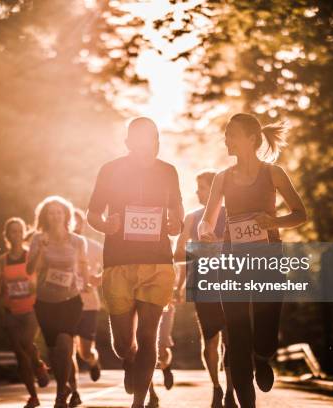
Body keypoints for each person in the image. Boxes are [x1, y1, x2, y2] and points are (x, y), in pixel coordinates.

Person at [198, 113, 307, 408]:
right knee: (236, 334)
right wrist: (206, 232)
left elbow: (300, 214)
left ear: (251, 139)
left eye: (232, 134)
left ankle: (262, 357)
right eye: (225, 134)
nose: (226, 139)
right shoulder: (222, 177)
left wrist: (273, 222)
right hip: (232, 262)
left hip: (267, 260)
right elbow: (206, 221)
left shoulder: (274, 173)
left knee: (266, 331)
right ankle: (248, 404)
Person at [87, 117, 184, 408]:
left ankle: (140, 401)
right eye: (140, 139)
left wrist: (175, 224)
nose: (147, 144)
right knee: (122, 344)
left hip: (158, 263)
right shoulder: (110, 170)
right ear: (129, 142)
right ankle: (130, 363)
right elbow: (92, 214)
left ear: (157, 141)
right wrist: (107, 225)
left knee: (148, 334)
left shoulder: (169, 171)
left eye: (152, 138)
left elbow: (178, 214)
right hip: (118, 263)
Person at [174, 170, 235, 408]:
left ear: (213, 190)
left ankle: (230, 390)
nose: (196, 192)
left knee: (231, 340)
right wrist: (199, 248)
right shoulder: (192, 218)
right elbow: (177, 254)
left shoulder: (233, 216)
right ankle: (216, 387)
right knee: (210, 340)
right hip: (204, 286)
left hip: (232, 285)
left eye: (200, 187)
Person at [27, 196, 91, 408]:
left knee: (65, 342)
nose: (55, 216)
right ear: (45, 216)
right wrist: (40, 250)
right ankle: (69, 386)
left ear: (66, 215)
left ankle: (60, 395)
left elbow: (83, 266)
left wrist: (87, 283)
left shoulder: (77, 241)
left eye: (59, 212)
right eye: (51, 212)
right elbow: (29, 270)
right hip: (45, 301)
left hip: (70, 299)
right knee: (54, 350)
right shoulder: (38, 239)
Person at [0, 217, 51, 408]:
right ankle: (33, 397)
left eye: (19, 231)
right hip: (11, 311)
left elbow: (42, 279)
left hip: (32, 309)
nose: (16, 235)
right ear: (7, 235)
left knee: (26, 343)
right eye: (12, 231)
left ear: (23, 233)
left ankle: (38, 365)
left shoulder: (30, 257)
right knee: (20, 356)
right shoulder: (1, 261)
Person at [67, 209, 104, 407]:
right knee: (67, 349)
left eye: (76, 221)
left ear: (80, 225)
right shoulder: (60, 246)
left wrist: (98, 278)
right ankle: (74, 391)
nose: (73, 224)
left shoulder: (94, 247)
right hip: (65, 303)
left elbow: (110, 265)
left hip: (89, 304)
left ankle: (92, 360)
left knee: (84, 352)